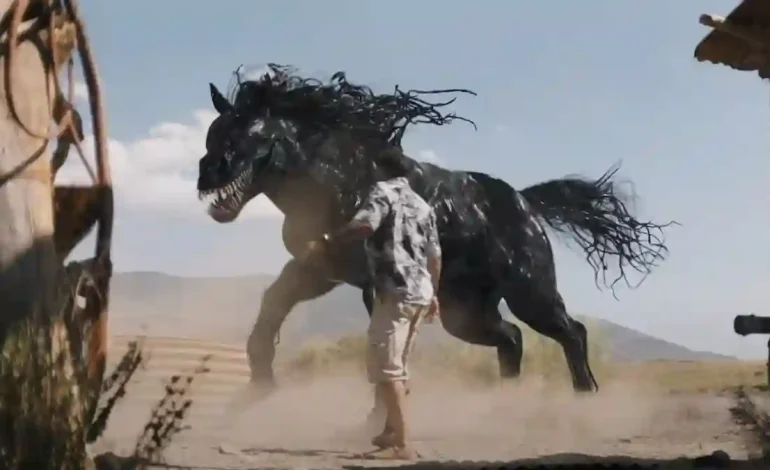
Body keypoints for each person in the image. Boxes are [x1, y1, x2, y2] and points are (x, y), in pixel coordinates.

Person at [304, 149, 442, 460]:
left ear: (381, 169)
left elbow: (365, 225)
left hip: (395, 293)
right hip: (420, 294)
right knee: (399, 367)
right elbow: (435, 256)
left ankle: (403, 444)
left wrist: (327, 240)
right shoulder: (423, 205)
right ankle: (392, 430)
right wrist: (434, 293)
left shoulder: (382, 191)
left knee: (387, 369)